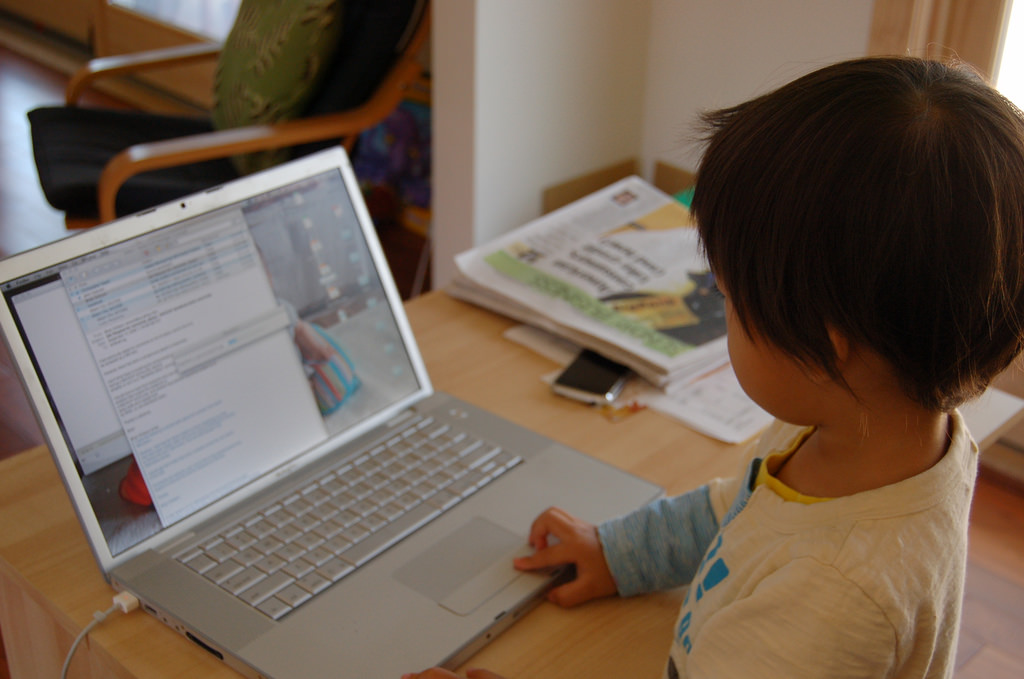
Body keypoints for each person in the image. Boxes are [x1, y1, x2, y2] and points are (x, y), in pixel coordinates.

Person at [403, 56, 1024, 678]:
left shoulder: (831, 600)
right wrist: (619, 553)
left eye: (728, 298)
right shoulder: (864, 429)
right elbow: (742, 507)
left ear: (822, 342)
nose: (723, 312)